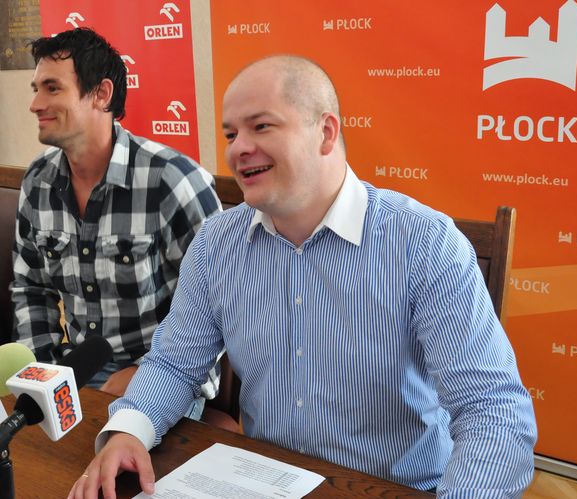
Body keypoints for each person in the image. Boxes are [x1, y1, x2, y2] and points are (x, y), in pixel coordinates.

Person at [70, 55, 537, 499]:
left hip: (397, 486)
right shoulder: (216, 243)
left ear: (326, 132)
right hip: (263, 480)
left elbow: (492, 410)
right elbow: (175, 364)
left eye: (261, 126)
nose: (238, 148)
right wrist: (130, 431)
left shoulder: (424, 242)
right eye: (231, 133)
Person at [11, 28, 222, 405]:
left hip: (165, 374)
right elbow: (31, 288)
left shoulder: (172, 180)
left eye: (52, 88)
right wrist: (43, 375)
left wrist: (150, 374)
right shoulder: (38, 180)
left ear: (102, 94)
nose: (36, 104)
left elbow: (216, 305)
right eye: (36, 89)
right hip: (74, 376)